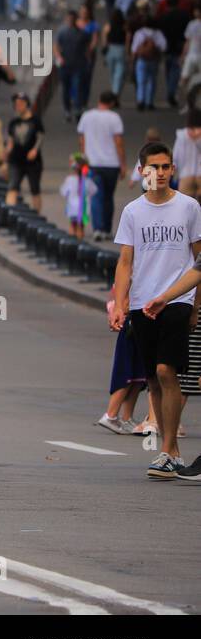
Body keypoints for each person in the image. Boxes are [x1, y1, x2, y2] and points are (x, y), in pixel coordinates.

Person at [116, 141, 201, 479]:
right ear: (141, 172)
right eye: (154, 167)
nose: (161, 173)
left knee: (168, 370)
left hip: (178, 301)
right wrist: (121, 304)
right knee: (153, 378)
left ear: (173, 170)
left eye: (166, 167)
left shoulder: (189, 207)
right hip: (142, 303)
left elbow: (199, 260)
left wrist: (196, 305)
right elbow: (125, 262)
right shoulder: (133, 212)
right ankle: (173, 453)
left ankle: (167, 449)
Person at [77, 91, 127, 240]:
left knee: (96, 196)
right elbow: (118, 142)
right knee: (108, 197)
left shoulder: (87, 116)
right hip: (111, 164)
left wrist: (83, 159)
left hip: (93, 163)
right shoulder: (114, 118)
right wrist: (123, 164)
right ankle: (107, 229)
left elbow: (82, 140)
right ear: (112, 103)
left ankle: (97, 228)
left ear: (99, 99)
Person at [4, 93, 45, 211]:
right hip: (16, 160)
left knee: (35, 189)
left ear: (27, 104)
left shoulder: (35, 121)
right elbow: (10, 141)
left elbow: (40, 137)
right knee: (13, 186)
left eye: (21, 104)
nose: (18, 106)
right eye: (16, 104)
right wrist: (4, 158)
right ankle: (9, 214)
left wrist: (35, 150)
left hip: (32, 162)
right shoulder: (13, 122)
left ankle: (37, 217)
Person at [55, 10, 92, 122]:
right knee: (66, 88)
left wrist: (87, 61)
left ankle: (77, 109)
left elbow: (88, 48)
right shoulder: (62, 32)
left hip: (78, 65)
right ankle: (67, 109)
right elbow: (56, 46)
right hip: (65, 65)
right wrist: (59, 58)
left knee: (77, 88)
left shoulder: (83, 33)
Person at [131, 18, 167, 111]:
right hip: (153, 60)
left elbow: (134, 48)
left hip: (142, 59)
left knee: (141, 81)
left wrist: (134, 56)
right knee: (152, 80)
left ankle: (140, 100)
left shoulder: (140, 33)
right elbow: (163, 46)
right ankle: (149, 101)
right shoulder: (158, 33)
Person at [59, 153, 97, 239]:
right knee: (81, 227)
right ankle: (80, 243)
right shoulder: (87, 181)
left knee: (72, 225)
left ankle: (71, 243)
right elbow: (94, 190)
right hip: (83, 208)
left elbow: (63, 192)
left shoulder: (69, 179)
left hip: (72, 207)